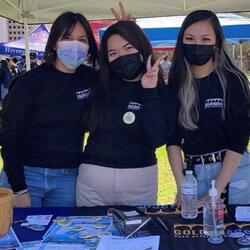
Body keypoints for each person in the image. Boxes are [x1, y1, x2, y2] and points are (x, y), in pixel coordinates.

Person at [0, 11, 98, 207]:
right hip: (25, 175)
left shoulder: (92, 79)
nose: (75, 44)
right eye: (67, 38)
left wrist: (126, 31)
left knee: (63, 235)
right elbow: (10, 135)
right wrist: (19, 188)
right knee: (18, 235)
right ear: (54, 42)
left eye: (82, 39)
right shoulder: (29, 82)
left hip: (67, 177)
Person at [76, 21, 176, 207]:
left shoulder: (159, 89)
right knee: (89, 234)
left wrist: (149, 91)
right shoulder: (99, 83)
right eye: (113, 53)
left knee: (138, 235)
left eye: (128, 48)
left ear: (141, 48)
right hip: (93, 179)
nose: (122, 56)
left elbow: (157, 138)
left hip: (139, 179)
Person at [166, 10, 250, 206]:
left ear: (217, 43)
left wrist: (216, 191)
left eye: (205, 39)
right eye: (190, 38)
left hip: (233, 174)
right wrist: (181, 187)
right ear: (181, 42)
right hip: (192, 175)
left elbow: (239, 140)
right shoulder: (176, 84)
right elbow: (172, 140)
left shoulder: (233, 80)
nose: (197, 45)